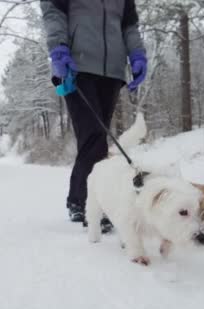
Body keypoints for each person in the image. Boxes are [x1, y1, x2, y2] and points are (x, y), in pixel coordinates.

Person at [40, 0, 147, 231]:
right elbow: (53, 11)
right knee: (94, 136)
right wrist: (58, 47)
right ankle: (90, 204)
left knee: (94, 140)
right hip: (75, 66)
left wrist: (137, 53)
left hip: (112, 71)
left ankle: (79, 200)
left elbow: (129, 26)